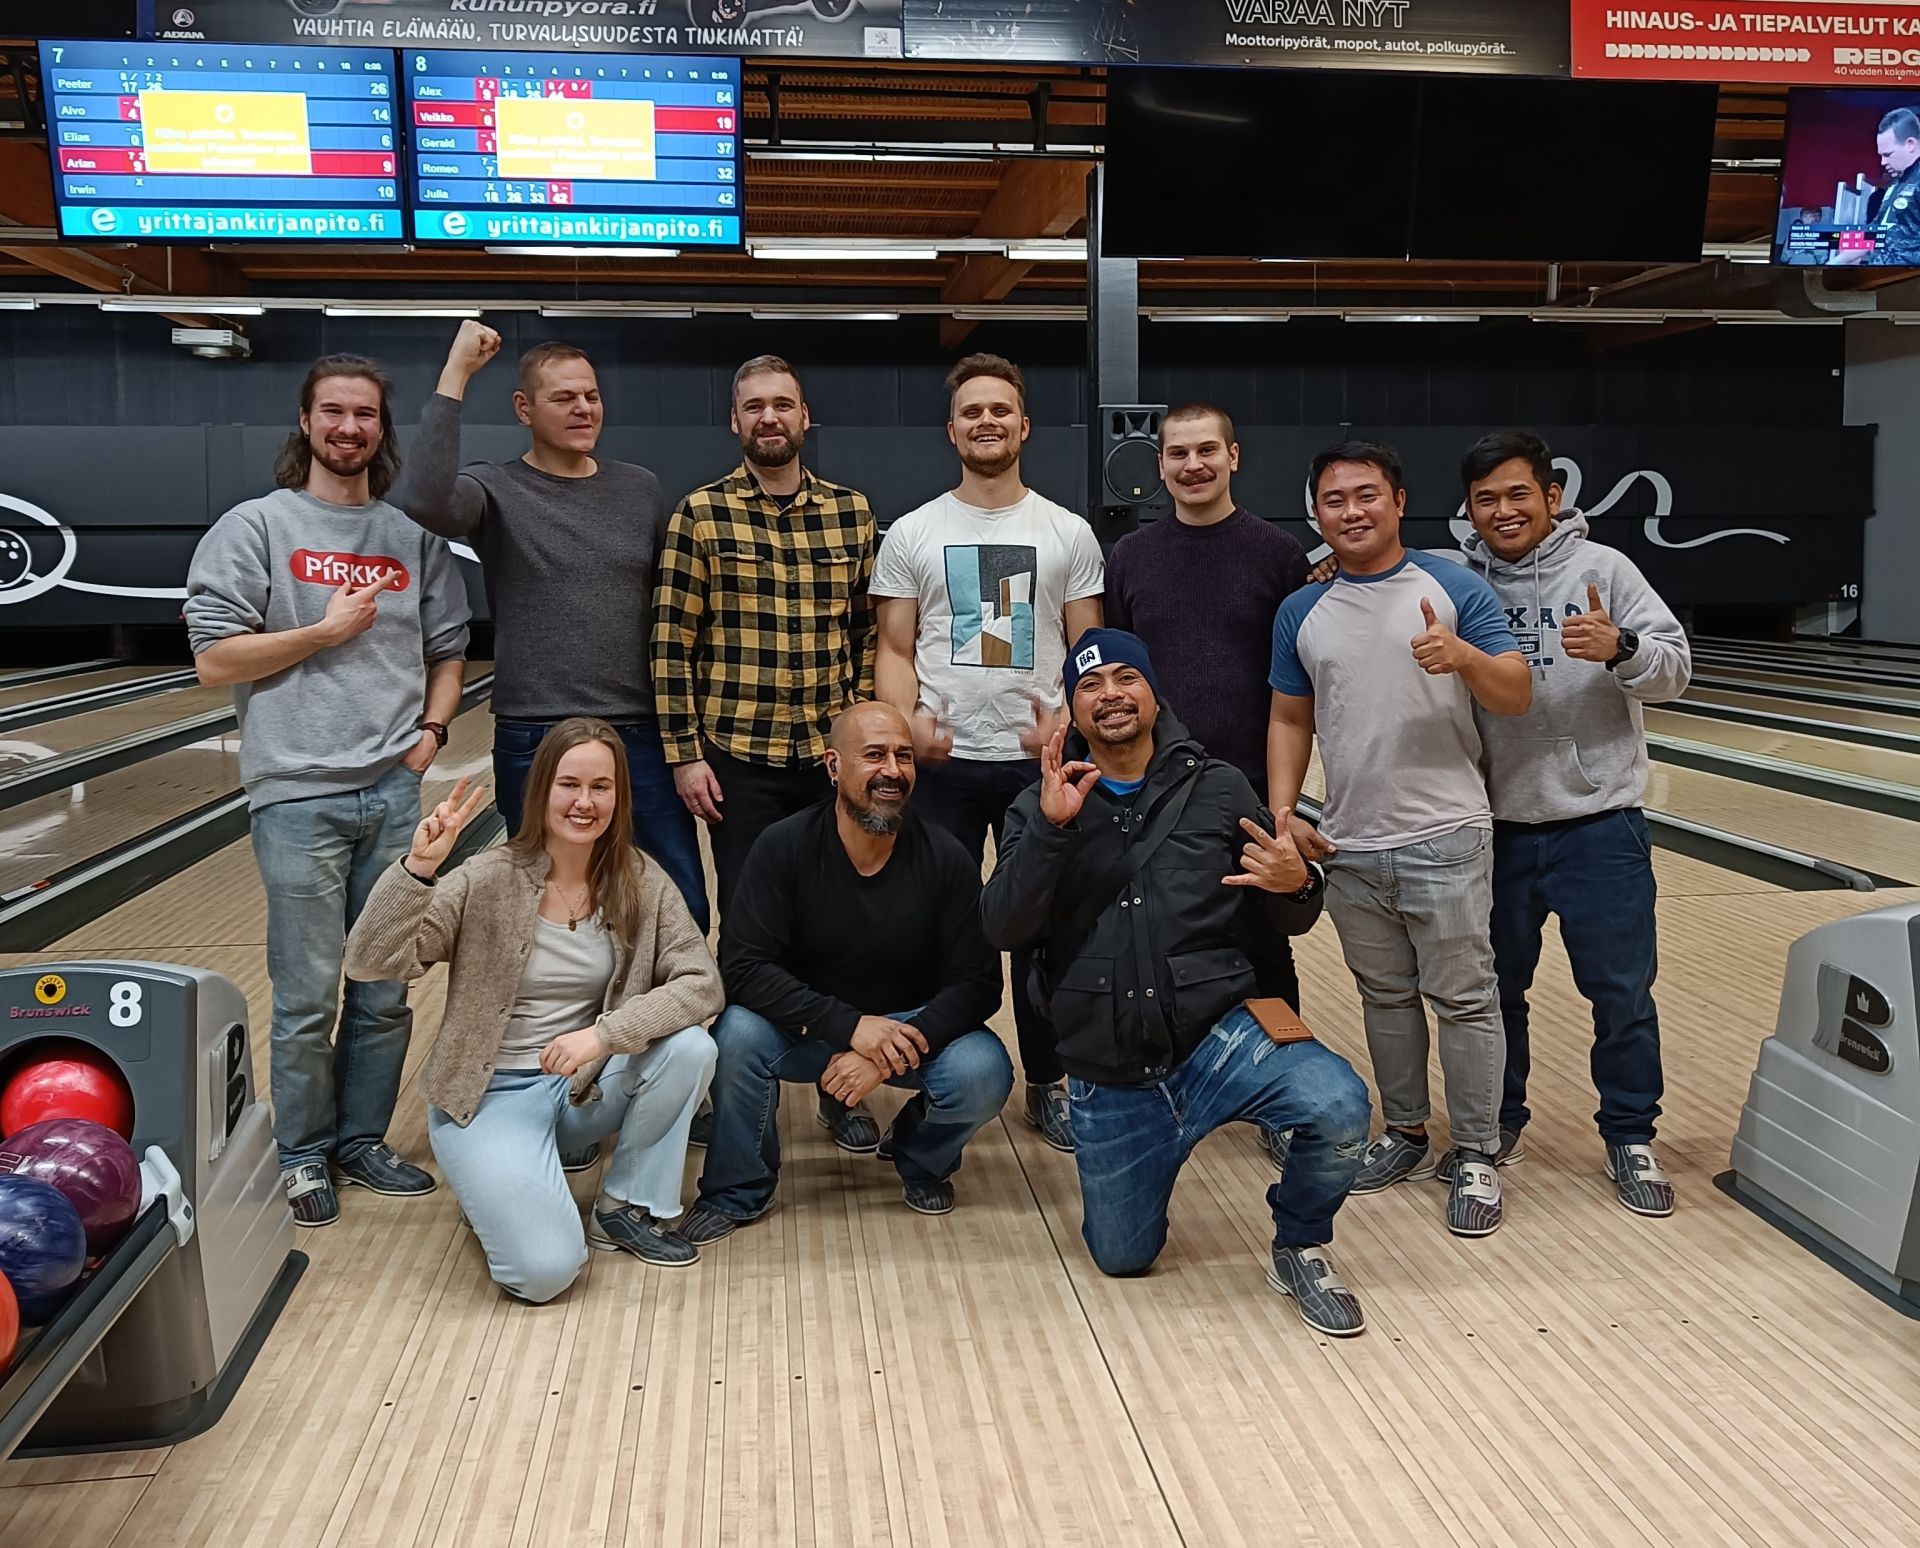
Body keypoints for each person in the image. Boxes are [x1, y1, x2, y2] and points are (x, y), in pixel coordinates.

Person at [981, 630, 1370, 1337]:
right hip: (1112, 1067)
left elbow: (1290, 914)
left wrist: (1300, 883)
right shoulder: (1040, 803)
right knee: (1123, 1257)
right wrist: (1050, 831)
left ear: (1155, 695)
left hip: (1218, 1038)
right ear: (1073, 710)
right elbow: (1003, 926)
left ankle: (1300, 1243)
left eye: (1126, 678)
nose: (1110, 695)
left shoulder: (1218, 787)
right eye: (1090, 686)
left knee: (1340, 1104)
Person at [186, 353, 471, 1228]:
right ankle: (301, 1152)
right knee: (308, 994)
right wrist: (320, 631)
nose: (349, 428)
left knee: (384, 987)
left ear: (382, 430)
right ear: (306, 422)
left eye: (365, 415)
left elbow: (449, 649)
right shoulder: (255, 527)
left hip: (392, 790)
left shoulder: (412, 536)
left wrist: (431, 734)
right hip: (296, 794)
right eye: (334, 412)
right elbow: (213, 661)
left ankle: (361, 1140)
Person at [345, 720, 723, 1297]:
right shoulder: (485, 879)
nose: (584, 802)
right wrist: (417, 870)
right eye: (569, 784)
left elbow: (702, 984)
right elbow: (368, 962)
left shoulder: (640, 881)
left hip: (584, 1085)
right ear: (542, 788)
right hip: (487, 1099)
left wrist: (602, 1037)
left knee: (691, 1048)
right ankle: (495, 1178)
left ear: (619, 797)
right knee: (544, 1273)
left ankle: (624, 1207)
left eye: (601, 787)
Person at [1266, 440, 1530, 1238]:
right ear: (1317, 513)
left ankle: (1477, 1151)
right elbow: (1290, 717)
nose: (1352, 511)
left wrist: (1464, 656)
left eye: (1366, 495)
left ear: (1399, 501)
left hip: (1446, 833)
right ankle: (1408, 1132)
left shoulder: (1453, 586)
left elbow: (1515, 693)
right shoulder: (1302, 610)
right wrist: (1285, 812)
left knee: (1465, 998)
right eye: (1334, 500)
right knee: (1383, 997)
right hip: (1349, 843)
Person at [386, 323, 706, 936]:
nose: (583, 408)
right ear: (524, 408)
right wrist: (456, 374)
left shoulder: (639, 487)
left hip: (639, 730)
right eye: (563, 398)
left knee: (681, 904)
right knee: (547, 909)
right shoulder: (493, 487)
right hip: (536, 730)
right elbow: (425, 501)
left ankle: (671, 1000)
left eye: (591, 395)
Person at [872, 352, 1104, 1154]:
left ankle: (1047, 1081)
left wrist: (1066, 726)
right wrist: (906, 731)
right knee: (932, 928)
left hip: (1035, 769)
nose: (986, 422)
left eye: (1000, 409)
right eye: (972, 411)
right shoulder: (914, 532)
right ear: (951, 430)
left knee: (1045, 930)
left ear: (1024, 425)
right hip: (942, 768)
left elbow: (1088, 649)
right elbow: (894, 648)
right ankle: (927, 1079)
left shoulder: (1066, 532)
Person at [1459, 431, 1691, 1217]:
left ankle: (1630, 1134)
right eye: (1486, 499)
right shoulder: (1458, 583)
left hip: (1600, 825)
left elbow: (1676, 669)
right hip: (1495, 829)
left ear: (1552, 497)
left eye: (1518, 494)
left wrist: (1623, 647)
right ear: (1468, 510)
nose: (1503, 510)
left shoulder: (1606, 570)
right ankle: (1497, 1124)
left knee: (1622, 995)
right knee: (1496, 992)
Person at [677, 701, 1013, 1241]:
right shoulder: (783, 847)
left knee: (983, 1070)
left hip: (906, 1029)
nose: (892, 770)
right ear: (833, 766)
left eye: (904, 756)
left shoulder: (946, 856)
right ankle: (737, 1187)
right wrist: (849, 1027)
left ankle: (919, 1155)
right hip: (808, 1028)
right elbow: (742, 967)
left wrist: (887, 1051)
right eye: (874, 755)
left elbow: (979, 983)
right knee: (736, 1033)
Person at [1103, 404, 1314, 1170]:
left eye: (1206, 451)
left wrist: (1285, 799)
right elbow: (1117, 670)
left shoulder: (1278, 554)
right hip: (1151, 786)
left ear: (1234, 456)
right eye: (1177, 454)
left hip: (1245, 786)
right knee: (1153, 937)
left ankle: (1284, 1096)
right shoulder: (1131, 556)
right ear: (1159, 465)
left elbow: (1295, 685)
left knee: (1262, 944)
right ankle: (1164, 1078)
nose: (1192, 465)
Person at [651, 354, 877, 926]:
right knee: (751, 916)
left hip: (829, 755)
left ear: (804, 416)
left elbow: (867, 631)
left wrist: (862, 726)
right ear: (735, 421)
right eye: (754, 407)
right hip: (739, 757)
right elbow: (671, 643)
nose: (769, 417)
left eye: (781, 405)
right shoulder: (700, 514)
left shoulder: (851, 512)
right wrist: (684, 756)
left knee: (835, 912)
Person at [1832, 108, 1920, 266]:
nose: (1883, 162)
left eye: (1887, 154)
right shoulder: (1896, 183)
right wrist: (1838, 261)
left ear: (1910, 145)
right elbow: (1876, 228)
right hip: (1880, 274)